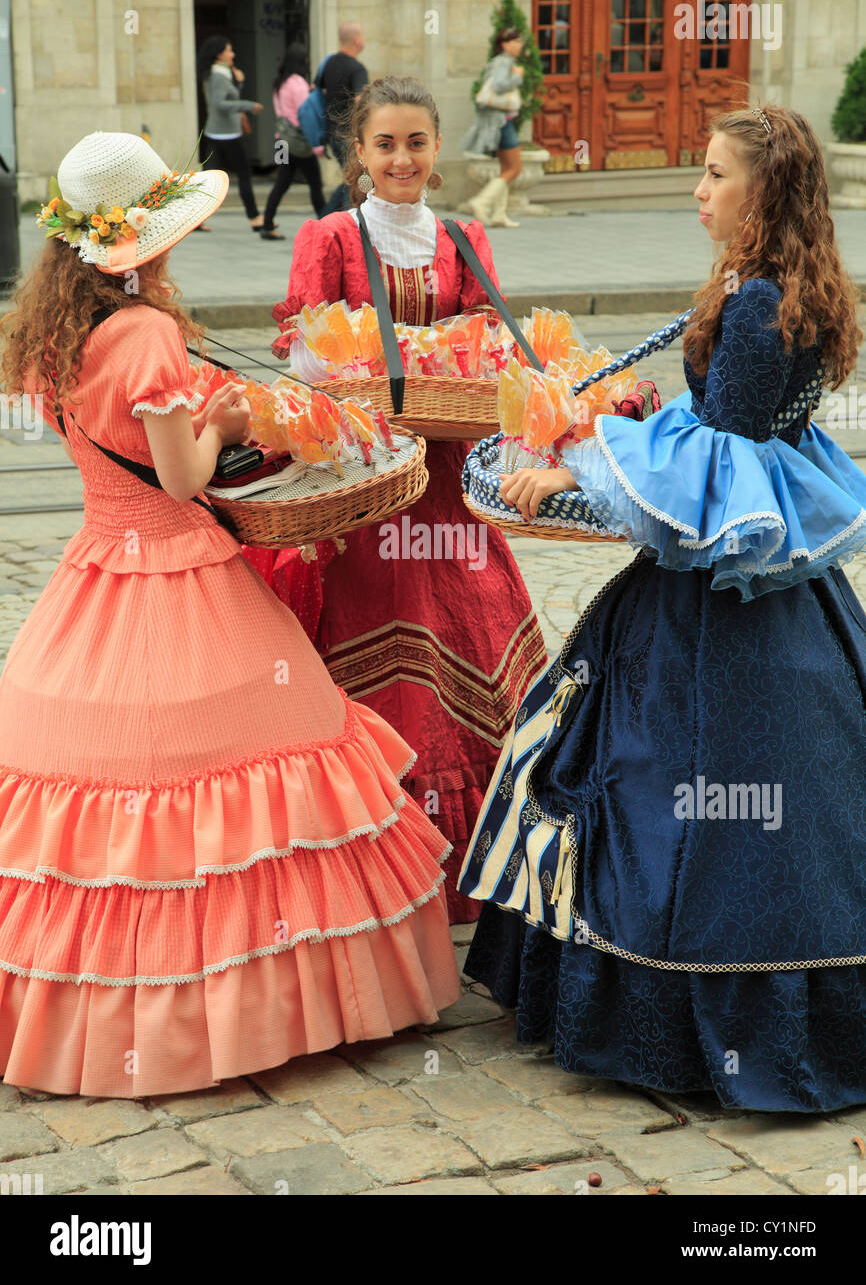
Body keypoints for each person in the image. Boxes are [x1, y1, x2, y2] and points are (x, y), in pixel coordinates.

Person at [0, 130, 460, 1098]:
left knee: (105, 798)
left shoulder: (61, 334)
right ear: (147, 241)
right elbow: (181, 478)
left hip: (95, 570)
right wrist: (224, 420)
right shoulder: (145, 334)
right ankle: (275, 999)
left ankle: (104, 1009)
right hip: (179, 563)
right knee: (274, 768)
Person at [459, 104, 866, 1113]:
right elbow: (713, 441)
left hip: (713, 605)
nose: (696, 187)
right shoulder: (775, 285)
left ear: (760, 194)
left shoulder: (756, 298)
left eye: (715, 173)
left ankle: (683, 1021)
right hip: (780, 598)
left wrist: (573, 481)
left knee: (680, 798)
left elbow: (701, 503)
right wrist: (614, 428)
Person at [242, 76, 547, 924]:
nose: (403, 159)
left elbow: (491, 336)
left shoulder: (463, 234)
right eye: (385, 145)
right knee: (371, 630)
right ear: (358, 155)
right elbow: (302, 344)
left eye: (416, 143)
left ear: (436, 148)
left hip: (447, 477)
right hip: (369, 482)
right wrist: (358, 371)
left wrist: (469, 363)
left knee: (473, 611)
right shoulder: (332, 236)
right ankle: (371, 864)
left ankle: (476, 853)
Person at [197, 34, 264, 231]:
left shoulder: (221, 73)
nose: (233, 54)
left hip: (219, 133)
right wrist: (248, 106)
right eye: (229, 50)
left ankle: (197, 221)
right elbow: (220, 104)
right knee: (242, 175)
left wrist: (239, 83)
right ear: (219, 54)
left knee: (209, 179)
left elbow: (227, 97)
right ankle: (255, 218)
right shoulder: (218, 75)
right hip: (226, 135)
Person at [261, 42, 327, 240]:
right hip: (298, 144)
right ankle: (326, 224)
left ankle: (267, 223)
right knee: (315, 183)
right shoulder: (298, 83)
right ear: (302, 61)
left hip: (281, 141)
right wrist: (317, 144)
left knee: (281, 182)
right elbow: (305, 115)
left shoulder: (279, 82)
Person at [461, 26, 525, 229]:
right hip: (502, 121)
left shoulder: (499, 62)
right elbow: (497, 86)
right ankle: (481, 202)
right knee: (515, 168)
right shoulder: (504, 62)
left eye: (519, 41)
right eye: (514, 42)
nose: (519, 46)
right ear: (504, 44)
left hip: (500, 120)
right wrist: (517, 77)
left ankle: (499, 214)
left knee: (505, 168)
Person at [319, 22, 368, 216]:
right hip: (348, 133)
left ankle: (324, 220)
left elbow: (319, 90)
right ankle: (344, 222)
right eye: (363, 35)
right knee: (355, 181)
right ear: (357, 40)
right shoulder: (357, 68)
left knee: (351, 179)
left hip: (331, 131)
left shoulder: (329, 63)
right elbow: (360, 101)